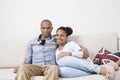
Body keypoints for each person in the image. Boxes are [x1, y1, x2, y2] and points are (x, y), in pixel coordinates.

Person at [55, 26, 119, 80]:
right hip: (77, 69)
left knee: (63, 59)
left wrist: (70, 53)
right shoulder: (56, 51)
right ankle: (100, 69)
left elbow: (83, 55)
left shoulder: (71, 44)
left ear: (66, 37)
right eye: (57, 35)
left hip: (85, 64)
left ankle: (101, 70)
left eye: (62, 35)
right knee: (61, 71)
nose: (59, 37)